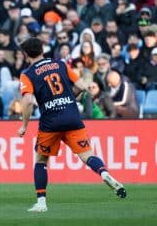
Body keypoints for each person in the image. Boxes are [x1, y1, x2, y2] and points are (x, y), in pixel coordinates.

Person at [18, 38, 126, 213]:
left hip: (50, 122)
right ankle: (104, 173)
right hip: (72, 117)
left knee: (41, 161)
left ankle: (41, 202)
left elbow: (28, 101)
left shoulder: (28, 74)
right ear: (42, 50)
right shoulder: (60, 64)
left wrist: (24, 125)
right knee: (87, 155)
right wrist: (69, 97)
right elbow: (82, 86)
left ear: (25, 54)